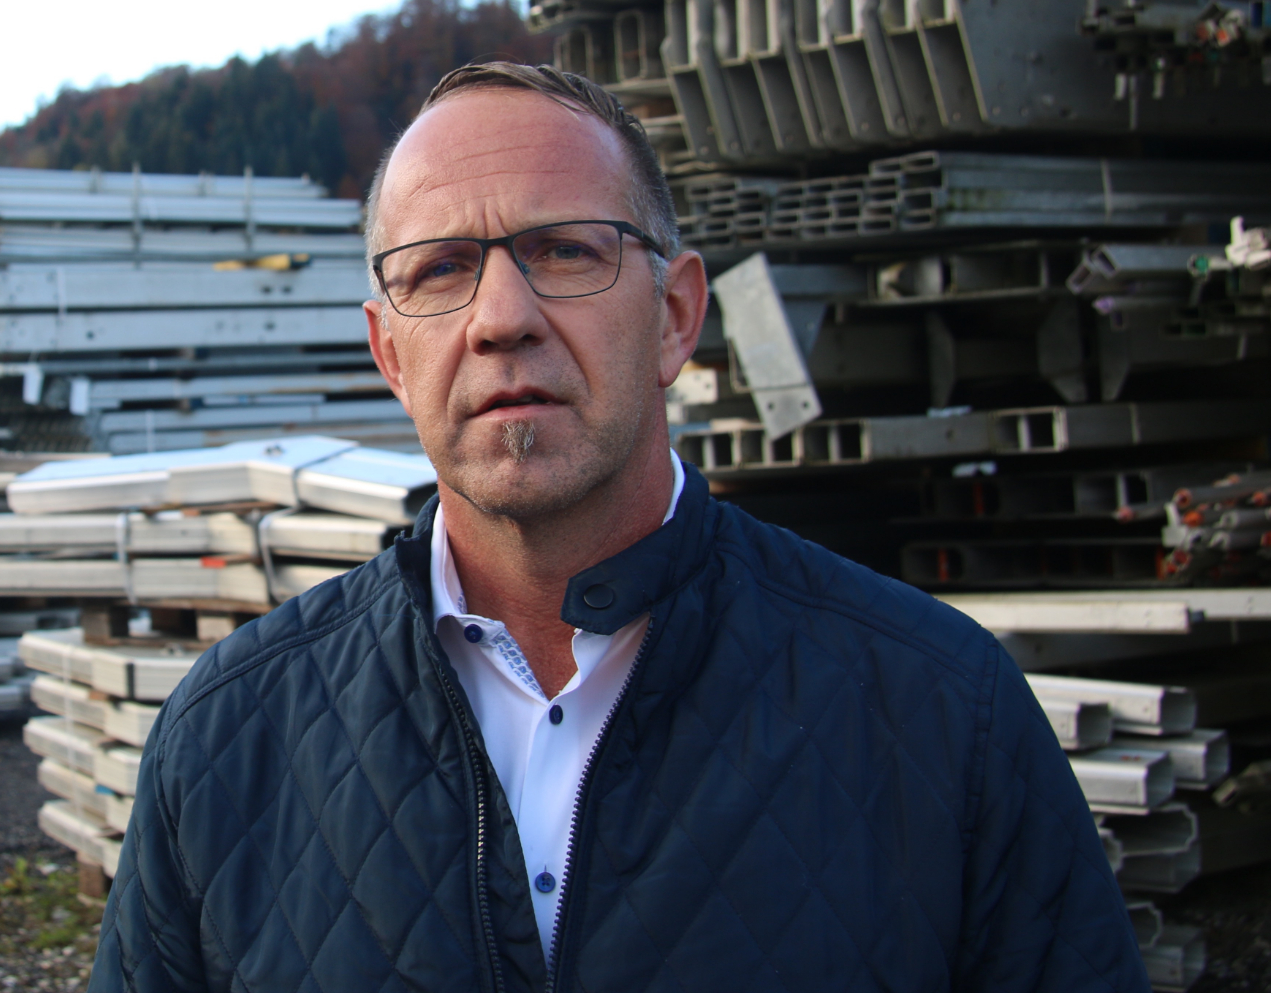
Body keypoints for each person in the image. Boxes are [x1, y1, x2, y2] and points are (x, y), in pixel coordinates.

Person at [89, 63, 1144, 992]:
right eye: (440, 269)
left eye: (562, 250)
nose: (501, 317)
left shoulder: (939, 710)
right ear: (388, 353)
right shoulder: (228, 739)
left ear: (675, 316)